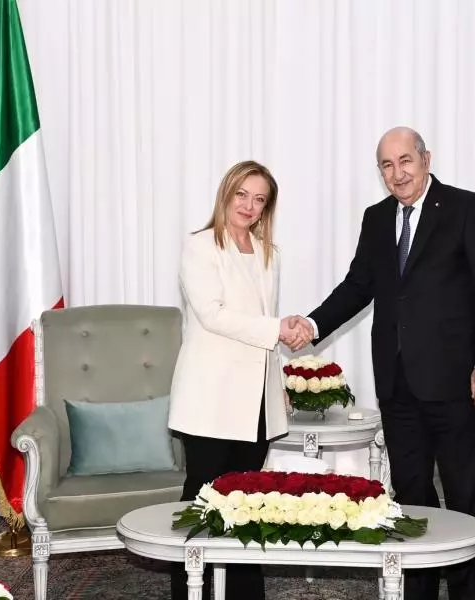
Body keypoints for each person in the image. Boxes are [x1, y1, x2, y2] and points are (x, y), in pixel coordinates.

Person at [295, 127, 475, 600]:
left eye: (406, 161)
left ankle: (469, 595)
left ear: (426, 159)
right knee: (411, 501)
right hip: (398, 387)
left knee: (466, 499)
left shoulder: (467, 209)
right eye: (387, 166)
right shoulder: (376, 218)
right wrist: (312, 325)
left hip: (459, 384)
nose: (398, 173)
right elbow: (357, 286)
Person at [167, 160, 310, 600]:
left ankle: (246, 594)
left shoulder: (270, 252)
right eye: (242, 195)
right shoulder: (200, 246)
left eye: (259, 199)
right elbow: (213, 316)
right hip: (210, 399)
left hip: (257, 402)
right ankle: (189, 592)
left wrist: (278, 383)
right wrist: (277, 329)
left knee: (247, 502)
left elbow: (263, 322)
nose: (249, 206)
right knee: (201, 504)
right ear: (226, 194)